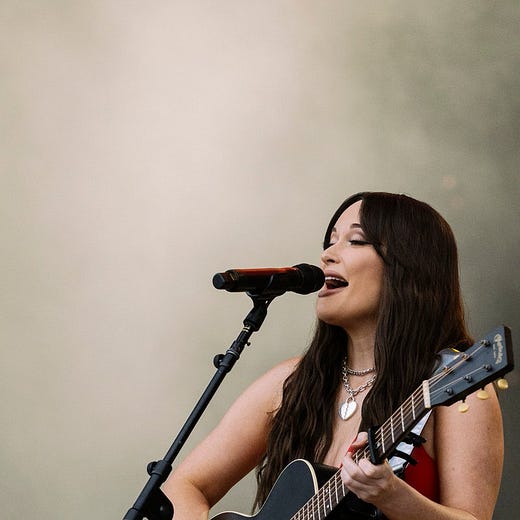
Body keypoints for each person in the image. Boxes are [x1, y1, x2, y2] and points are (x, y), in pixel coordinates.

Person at [162, 192, 504, 520]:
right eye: (330, 241)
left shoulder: (457, 385)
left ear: (408, 267)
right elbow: (184, 486)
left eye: (355, 241)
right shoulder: (290, 383)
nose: (327, 254)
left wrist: (394, 498)